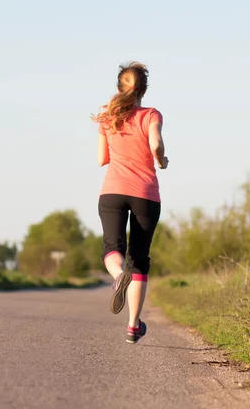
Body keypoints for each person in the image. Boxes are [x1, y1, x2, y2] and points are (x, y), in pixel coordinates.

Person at [91, 61, 168, 344]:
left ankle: (118, 275)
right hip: (145, 194)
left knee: (113, 249)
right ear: (143, 89)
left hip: (112, 192)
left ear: (119, 87)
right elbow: (156, 145)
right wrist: (162, 161)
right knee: (140, 260)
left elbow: (101, 160)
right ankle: (133, 326)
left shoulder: (106, 117)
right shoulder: (151, 115)